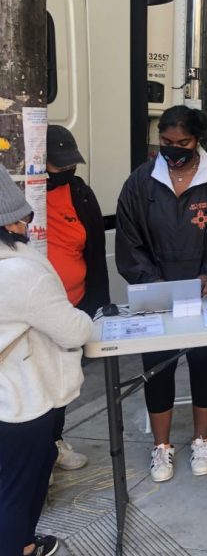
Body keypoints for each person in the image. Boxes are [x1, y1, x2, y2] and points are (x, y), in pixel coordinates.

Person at [116, 105, 207, 482]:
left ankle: (201, 439)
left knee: (204, 362)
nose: (173, 149)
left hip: (204, 292)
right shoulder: (141, 182)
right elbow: (129, 240)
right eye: (165, 141)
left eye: (183, 142)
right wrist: (153, 282)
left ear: (199, 140)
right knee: (157, 367)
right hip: (157, 293)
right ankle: (161, 447)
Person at [0, 164, 94, 556]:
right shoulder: (19, 272)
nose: (26, 224)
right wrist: (88, 320)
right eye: (22, 218)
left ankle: (23, 544)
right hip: (21, 399)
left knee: (11, 484)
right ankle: (17, 546)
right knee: (19, 490)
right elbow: (73, 330)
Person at [45, 125, 111, 473]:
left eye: (71, 164)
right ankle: (37, 451)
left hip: (73, 305)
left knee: (64, 384)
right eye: (59, 165)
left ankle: (54, 442)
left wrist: (98, 305)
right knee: (35, 386)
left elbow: (96, 251)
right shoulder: (20, 192)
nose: (67, 170)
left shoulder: (80, 193)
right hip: (34, 313)